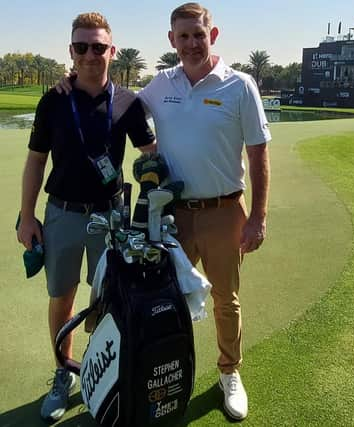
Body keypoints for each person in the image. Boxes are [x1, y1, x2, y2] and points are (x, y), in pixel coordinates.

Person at [17, 12, 156, 422]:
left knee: (107, 301)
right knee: (62, 297)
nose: (91, 54)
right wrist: (27, 218)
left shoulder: (130, 102)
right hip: (61, 215)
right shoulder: (54, 100)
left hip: (111, 218)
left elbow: (151, 156)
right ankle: (64, 373)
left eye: (99, 46)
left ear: (112, 51)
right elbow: (35, 162)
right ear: (71, 52)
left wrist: (151, 196)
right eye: (82, 46)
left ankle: (102, 373)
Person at [138, 3, 271, 420]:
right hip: (173, 214)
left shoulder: (239, 84)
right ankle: (162, 372)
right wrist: (78, 81)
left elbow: (258, 153)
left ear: (212, 36)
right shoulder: (160, 85)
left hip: (224, 209)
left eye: (199, 34)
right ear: (172, 40)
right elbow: (120, 107)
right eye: (183, 36)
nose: (192, 43)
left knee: (225, 299)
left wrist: (258, 218)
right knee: (164, 299)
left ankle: (229, 372)